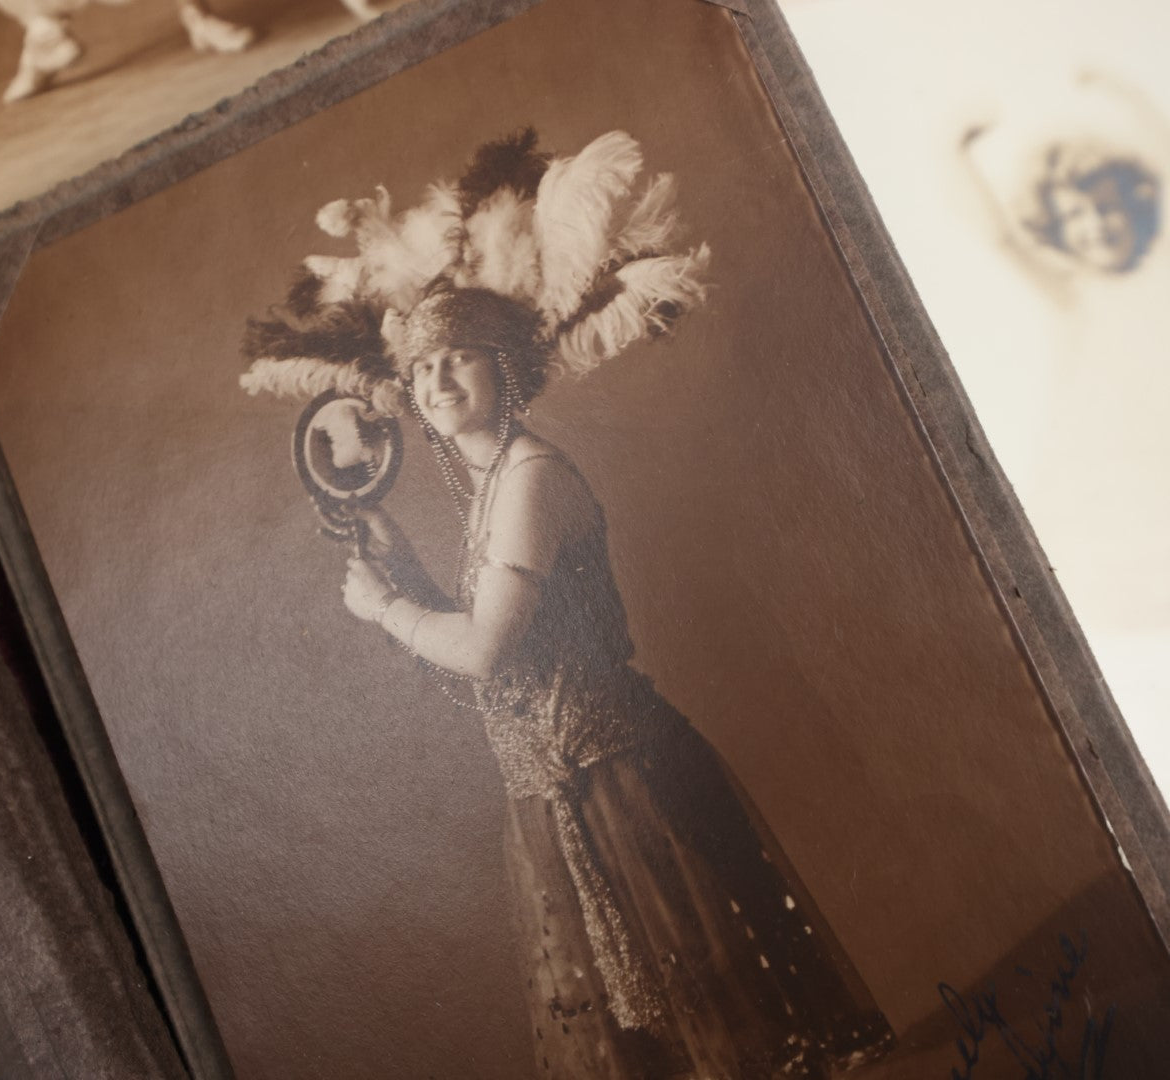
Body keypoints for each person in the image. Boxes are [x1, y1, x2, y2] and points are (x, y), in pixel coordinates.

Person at [243, 129, 894, 1078]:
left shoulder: (532, 478)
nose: (436, 380)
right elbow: (494, 665)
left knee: (719, 1032)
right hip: (553, 793)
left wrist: (388, 609)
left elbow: (483, 654)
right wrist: (404, 570)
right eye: (423, 372)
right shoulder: (490, 486)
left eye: (459, 360)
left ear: (506, 369)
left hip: (617, 781)